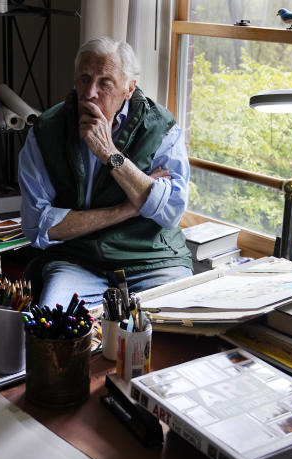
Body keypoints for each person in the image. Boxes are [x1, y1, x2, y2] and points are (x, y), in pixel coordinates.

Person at [19, 36, 192, 308]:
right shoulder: (46, 131)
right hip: (77, 261)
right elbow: (37, 226)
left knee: (175, 322)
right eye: (84, 79)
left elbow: (171, 211)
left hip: (151, 258)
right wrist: (128, 208)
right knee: (53, 328)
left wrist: (110, 154)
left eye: (105, 83)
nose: (89, 93)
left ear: (129, 88)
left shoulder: (160, 127)